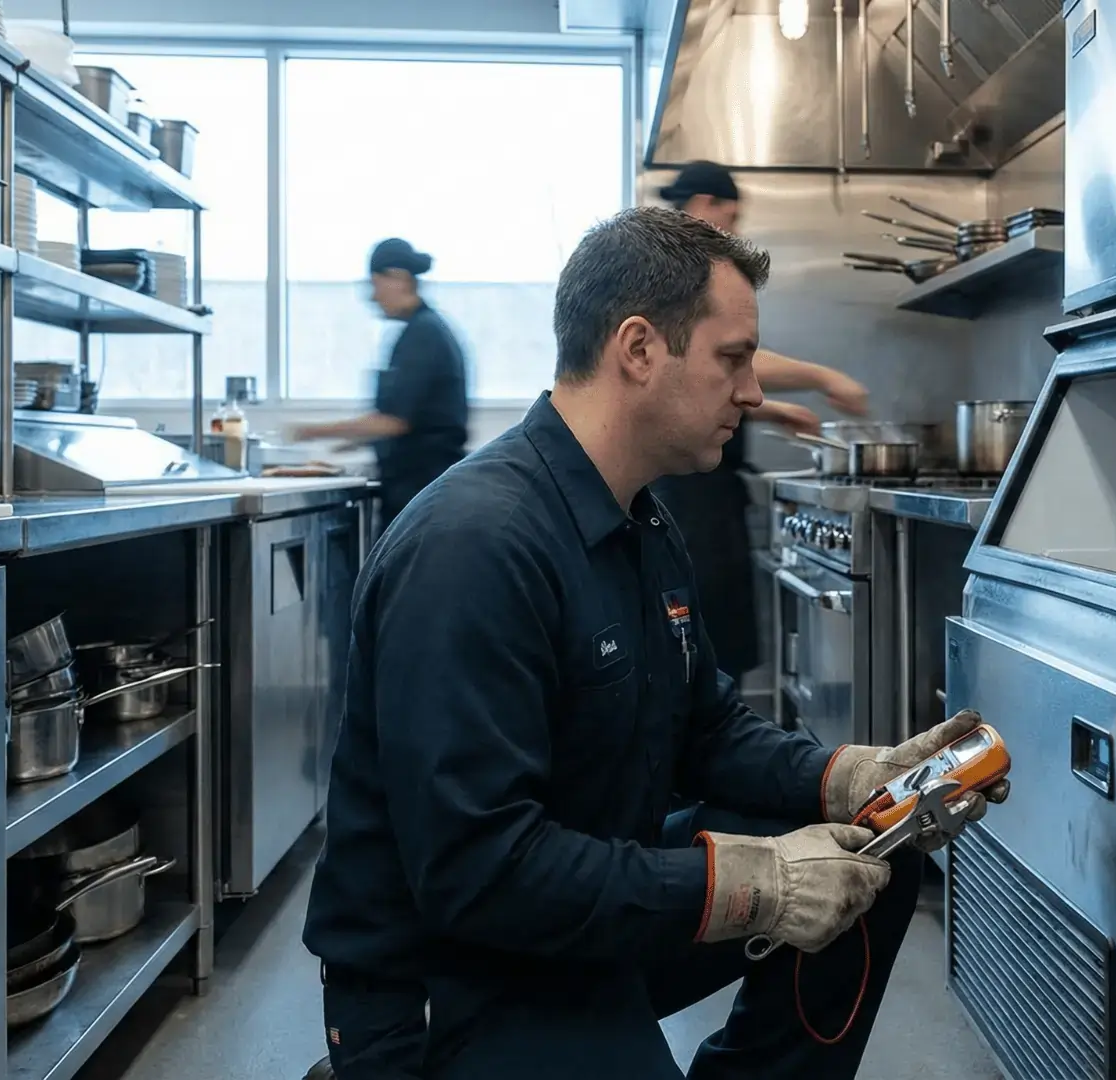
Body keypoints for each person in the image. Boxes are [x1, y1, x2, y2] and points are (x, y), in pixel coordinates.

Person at [302, 206, 1008, 1079]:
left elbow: (705, 728)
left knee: (873, 854)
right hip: (456, 971)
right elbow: (478, 872)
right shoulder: (476, 549)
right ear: (639, 350)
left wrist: (848, 778)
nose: (752, 394)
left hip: (575, 915)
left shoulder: (641, 523)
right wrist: (751, 884)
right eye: (733, 358)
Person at [652, 160, 871, 681]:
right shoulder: (685, 267)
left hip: (701, 488)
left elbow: (699, 375)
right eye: (732, 214)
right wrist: (823, 377)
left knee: (711, 634)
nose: (737, 228)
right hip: (690, 489)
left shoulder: (679, 264)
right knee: (706, 639)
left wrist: (768, 408)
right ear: (705, 206)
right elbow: (724, 353)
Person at [292, 238, 469, 528]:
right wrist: (350, 443)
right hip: (416, 486)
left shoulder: (423, 336)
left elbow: (394, 421)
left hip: (421, 488)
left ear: (397, 279)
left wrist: (310, 432)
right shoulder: (420, 331)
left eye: (375, 285)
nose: (372, 297)